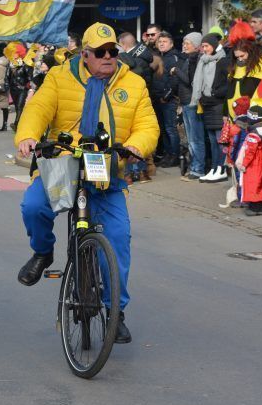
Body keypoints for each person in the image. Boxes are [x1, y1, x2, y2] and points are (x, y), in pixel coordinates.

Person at [15, 22, 159, 344]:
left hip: (105, 166)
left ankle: (115, 312)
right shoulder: (59, 77)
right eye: (101, 53)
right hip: (64, 162)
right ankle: (42, 253)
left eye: (113, 52)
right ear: (85, 54)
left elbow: (147, 123)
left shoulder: (133, 83)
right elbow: (38, 109)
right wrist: (27, 136)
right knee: (34, 206)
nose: (109, 57)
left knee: (119, 237)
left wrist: (138, 145)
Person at [194, 33, 231, 183]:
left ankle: (221, 168)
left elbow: (229, 83)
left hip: (218, 104)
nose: (204, 49)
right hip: (207, 104)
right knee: (211, 139)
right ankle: (214, 168)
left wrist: (215, 92)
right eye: (202, 46)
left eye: (206, 46)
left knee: (219, 139)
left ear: (214, 46)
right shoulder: (203, 61)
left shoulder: (222, 61)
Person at [173, 31, 205, 180]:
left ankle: (198, 168)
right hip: (186, 102)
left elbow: (190, 81)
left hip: (192, 103)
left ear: (196, 46)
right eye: (184, 42)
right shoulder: (189, 59)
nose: (184, 45)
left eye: (188, 43)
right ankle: (194, 167)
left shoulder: (196, 60)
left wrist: (176, 71)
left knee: (195, 138)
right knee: (191, 138)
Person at [234, 106, 262, 216]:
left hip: (255, 162)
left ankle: (255, 207)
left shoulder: (254, 133)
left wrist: (244, 164)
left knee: (254, 183)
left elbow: (250, 151)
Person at [151, 31, 181, 168]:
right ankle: (167, 154)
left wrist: (166, 96)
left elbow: (174, 81)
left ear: (171, 44)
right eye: (160, 42)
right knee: (163, 129)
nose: (161, 44)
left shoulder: (173, 57)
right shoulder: (158, 57)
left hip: (168, 100)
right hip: (158, 99)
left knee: (170, 128)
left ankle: (174, 155)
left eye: (165, 42)